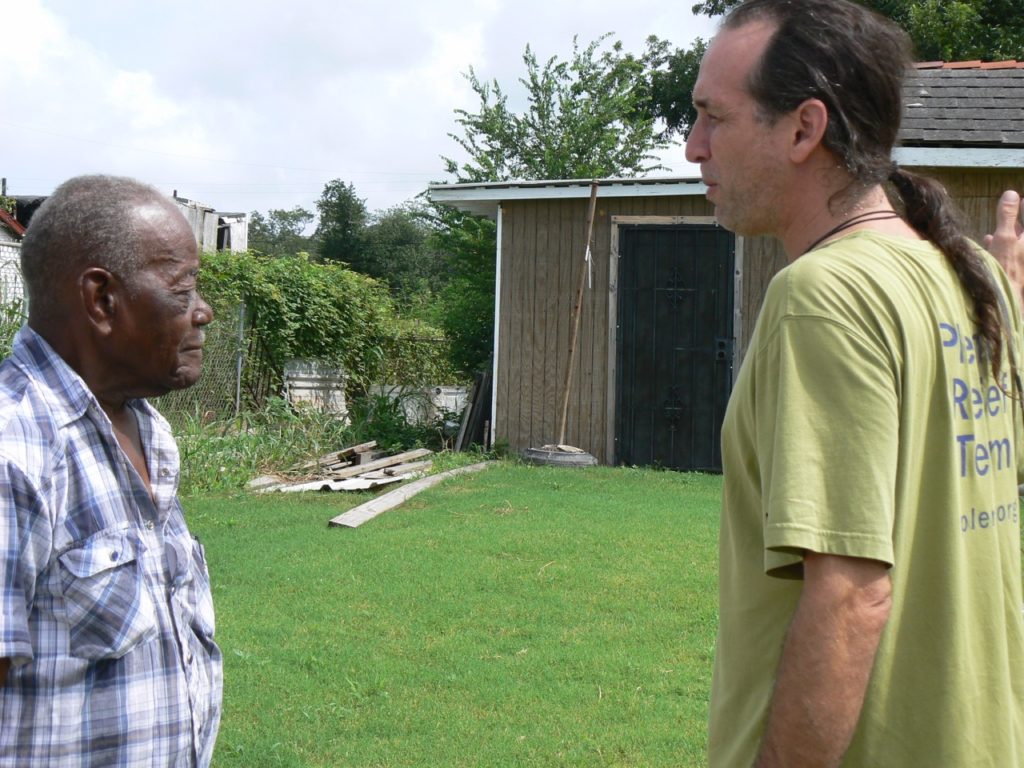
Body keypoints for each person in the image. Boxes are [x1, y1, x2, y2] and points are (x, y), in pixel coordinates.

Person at [684, 1, 1024, 766]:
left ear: (804, 130)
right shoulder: (971, 278)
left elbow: (850, 596)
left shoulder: (826, 295)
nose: (691, 148)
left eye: (713, 118)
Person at [0, 175, 222, 766]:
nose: (203, 311)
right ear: (101, 300)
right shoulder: (14, 451)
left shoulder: (146, 429)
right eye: (182, 290)